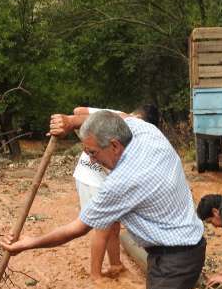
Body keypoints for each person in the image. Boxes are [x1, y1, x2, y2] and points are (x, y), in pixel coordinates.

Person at [1, 110, 204, 289]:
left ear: (114, 146)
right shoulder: (143, 131)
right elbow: (115, 113)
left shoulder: (123, 182)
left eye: (93, 153)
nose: (91, 160)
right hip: (186, 246)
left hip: (175, 261)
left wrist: (28, 242)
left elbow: (77, 228)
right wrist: (71, 122)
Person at [67, 104, 159, 279]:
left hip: (105, 176)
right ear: (139, 117)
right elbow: (78, 111)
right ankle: (95, 275)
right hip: (91, 176)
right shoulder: (117, 117)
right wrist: (71, 122)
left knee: (114, 226)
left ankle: (115, 264)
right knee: (103, 227)